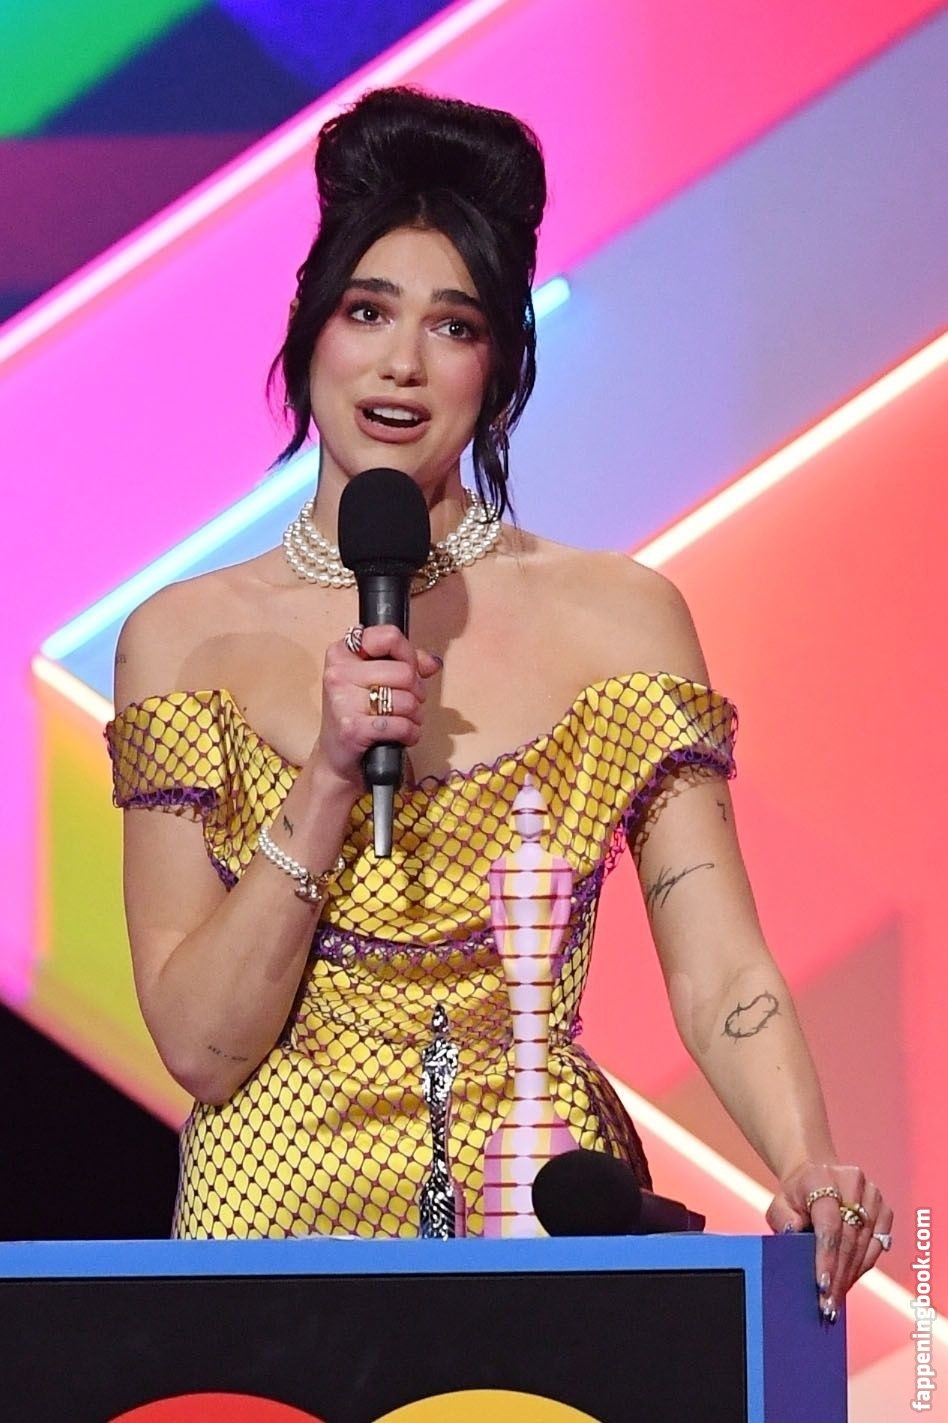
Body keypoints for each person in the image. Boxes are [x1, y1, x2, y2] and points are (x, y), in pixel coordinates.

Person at [106, 86, 890, 1319]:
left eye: (454, 325)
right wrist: (326, 778)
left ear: (502, 363)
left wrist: (803, 1157)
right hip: (272, 1233)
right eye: (368, 311)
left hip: (540, 1209)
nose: (401, 364)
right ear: (311, 331)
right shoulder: (182, 640)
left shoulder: (619, 618)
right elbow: (202, 1046)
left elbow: (717, 963)